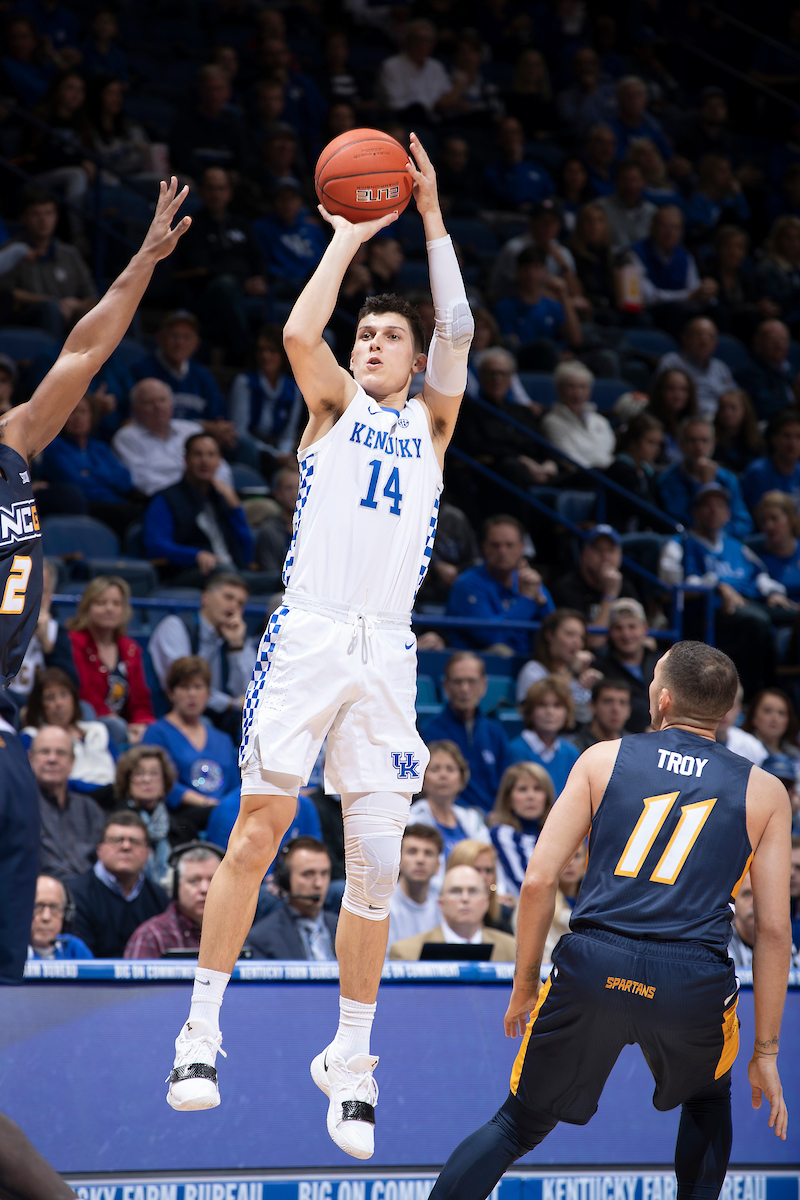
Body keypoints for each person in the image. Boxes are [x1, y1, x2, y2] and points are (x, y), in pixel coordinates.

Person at [164, 135, 475, 1159]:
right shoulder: (333, 408)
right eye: (372, 335)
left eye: (394, 333)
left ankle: (349, 1056)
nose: (381, 341)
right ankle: (199, 1030)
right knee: (257, 833)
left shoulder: (429, 425)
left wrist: (428, 222)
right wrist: (344, 240)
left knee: (376, 871)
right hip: (308, 635)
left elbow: (459, 326)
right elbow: (301, 327)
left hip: (387, 653)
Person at [428, 641, 790, 1200]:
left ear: (663, 698)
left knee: (516, 1124)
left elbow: (538, 882)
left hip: (593, 963)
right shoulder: (765, 790)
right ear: (726, 712)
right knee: (707, 1099)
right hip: (690, 979)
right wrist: (767, 1053)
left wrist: (525, 983)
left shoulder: (602, 757)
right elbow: (771, 930)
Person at [0, 178, 188, 990]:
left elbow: (84, 349)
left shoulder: (12, 443)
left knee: (9, 935)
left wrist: (142, 262)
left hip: (6, 725)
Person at [659, 485, 784, 696]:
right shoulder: (680, 543)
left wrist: (773, 592)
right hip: (708, 611)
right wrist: (717, 586)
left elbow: (760, 575)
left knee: (792, 618)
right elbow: (671, 584)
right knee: (757, 623)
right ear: (695, 512)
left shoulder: (736, 546)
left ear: (728, 514)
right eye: (707, 506)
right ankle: (753, 694)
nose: (714, 511)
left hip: (748, 603)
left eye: (719, 506)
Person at [174, 167, 269, 363]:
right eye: (210, 188)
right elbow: (201, 268)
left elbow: (257, 258)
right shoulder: (192, 225)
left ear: (229, 192)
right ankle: (248, 352)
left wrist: (260, 279)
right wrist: (242, 279)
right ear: (202, 191)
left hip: (244, 290)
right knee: (225, 284)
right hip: (206, 295)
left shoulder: (241, 223)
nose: (216, 194)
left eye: (221, 188)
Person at [142, 433, 254, 586]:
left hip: (233, 574)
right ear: (186, 460)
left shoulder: (220, 499)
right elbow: (156, 544)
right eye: (198, 454)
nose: (205, 461)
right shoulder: (166, 498)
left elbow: (246, 551)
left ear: (219, 461)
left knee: (284, 581)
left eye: (211, 455)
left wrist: (236, 509)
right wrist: (196, 556)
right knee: (226, 573)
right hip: (189, 573)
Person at [148, 572, 256, 728]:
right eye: (228, 597)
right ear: (206, 598)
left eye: (240, 603)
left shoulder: (238, 637)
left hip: (224, 721)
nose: (234, 607)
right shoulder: (175, 626)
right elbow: (184, 685)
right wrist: (230, 703)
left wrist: (236, 647)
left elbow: (248, 694)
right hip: (174, 716)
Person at [142, 656, 240, 816]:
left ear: (208, 693)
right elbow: (161, 784)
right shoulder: (156, 733)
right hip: (183, 815)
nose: (192, 694)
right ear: (171, 693)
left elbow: (234, 787)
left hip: (222, 814)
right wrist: (208, 804)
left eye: (198, 687)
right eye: (184, 687)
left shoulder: (223, 739)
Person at [445, 516, 554, 658]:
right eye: (495, 545)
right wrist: (527, 600)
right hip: (481, 665)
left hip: (528, 663)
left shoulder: (528, 581)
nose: (502, 551)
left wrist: (542, 602)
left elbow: (555, 632)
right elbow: (491, 637)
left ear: (522, 548)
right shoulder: (467, 584)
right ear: (484, 547)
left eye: (509, 545)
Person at [68, 810, 169, 958]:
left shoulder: (159, 897)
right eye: (117, 840)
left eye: (135, 841)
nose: (126, 847)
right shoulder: (75, 894)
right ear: (99, 849)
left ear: (147, 852)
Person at [66, 576, 154, 746]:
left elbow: (141, 698)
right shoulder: (74, 642)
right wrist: (115, 720)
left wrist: (141, 723)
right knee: (115, 726)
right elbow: (83, 692)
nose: (109, 609)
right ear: (87, 607)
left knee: (153, 733)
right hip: (87, 721)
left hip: (124, 725)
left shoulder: (130, 648)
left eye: (116, 603)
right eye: (101, 603)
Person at [112, 377, 235, 499]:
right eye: (149, 402)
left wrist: (211, 490)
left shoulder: (191, 430)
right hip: (165, 505)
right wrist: (191, 491)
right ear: (135, 409)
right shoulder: (126, 438)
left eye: (163, 400)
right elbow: (144, 483)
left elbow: (222, 469)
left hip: (211, 499)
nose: (158, 407)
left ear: (171, 404)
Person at [0, 187, 96, 340]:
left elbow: (90, 296)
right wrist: (56, 303)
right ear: (24, 218)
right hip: (28, 318)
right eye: (36, 214)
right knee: (50, 309)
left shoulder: (70, 254)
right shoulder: (12, 252)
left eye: (48, 213)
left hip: (71, 316)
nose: (43, 220)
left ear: (56, 217)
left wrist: (75, 306)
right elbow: (8, 294)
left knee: (116, 309)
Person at [421, 653, 511, 814]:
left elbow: (507, 785)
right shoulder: (429, 731)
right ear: (445, 686)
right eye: (457, 682)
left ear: (484, 684)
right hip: (449, 818)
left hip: (492, 821)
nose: (465, 689)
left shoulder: (495, 732)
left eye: (472, 681)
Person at [39, 393, 138, 539]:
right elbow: (75, 482)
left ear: (92, 417)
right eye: (72, 412)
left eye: (83, 412)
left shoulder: (101, 448)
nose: (77, 417)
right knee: (124, 515)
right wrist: (106, 479)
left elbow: (125, 482)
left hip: (115, 502)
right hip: (87, 505)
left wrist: (90, 472)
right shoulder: (54, 448)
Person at [389, 864, 516, 961]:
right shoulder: (407, 954)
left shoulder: (512, 950)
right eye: (456, 891)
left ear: (486, 902)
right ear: (440, 903)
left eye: (473, 891)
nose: (465, 898)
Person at [22, 667, 116, 793]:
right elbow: (42, 779)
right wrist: (97, 790)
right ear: (39, 705)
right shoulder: (32, 736)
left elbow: (120, 770)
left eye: (64, 694)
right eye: (50, 698)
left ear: (74, 699)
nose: (59, 703)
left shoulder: (99, 731)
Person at [657, 417, 753, 540]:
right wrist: (707, 485)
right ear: (681, 444)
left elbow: (744, 523)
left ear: (714, 443)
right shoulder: (669, 481)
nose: (699, 446)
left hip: (727, 545)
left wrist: (721, 539)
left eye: (704, 440)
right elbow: (687, 524)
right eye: (692, 441)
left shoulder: (728, 478)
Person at [31, 725, 105, 882]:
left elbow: (104, 859)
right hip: (43, 895)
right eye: (44, 752)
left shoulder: (89, 808)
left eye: (61, 753)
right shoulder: (19, 805)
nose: (52, 759)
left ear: (72, 762)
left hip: (89, 896)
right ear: (30, 759)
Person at [408, 741, 490, 882]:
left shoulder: (473, 819)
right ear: (422, 777)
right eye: (435, 769)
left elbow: (488, 861)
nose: (443, 775)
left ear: (461, 778)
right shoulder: (410, 819)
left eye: (450, 769)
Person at [124, 843, 225, 958]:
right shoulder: (150, 936)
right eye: (194, 880)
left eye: (213, 880)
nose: (205, 889)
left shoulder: (236, 934)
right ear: (175, 885)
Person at [131, 309, 228, 429]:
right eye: (174, 336)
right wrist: (203, 425)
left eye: (186, 337)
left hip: (198, 443)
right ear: (160, 338)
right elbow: (131, 420)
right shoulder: (141, 371)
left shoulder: (203, 376)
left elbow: (219, 418)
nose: (180, 343)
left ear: (196, 343)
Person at [628, 207, 717, 336]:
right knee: (674, 311)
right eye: (665, 226)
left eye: (676, 228)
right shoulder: (635, 254)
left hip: (681, 308)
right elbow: (648, 297)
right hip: (652, 312)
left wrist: (707, 292)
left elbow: (694, 290)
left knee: (716, 311)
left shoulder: (685, 257)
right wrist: (689, 296)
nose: (670, 232)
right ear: (652, 228)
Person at [229, 327, 303, 480]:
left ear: (283, 355)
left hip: (276, 448)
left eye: (272, 350)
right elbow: (239, 431)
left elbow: (288, 434)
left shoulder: (293, 389)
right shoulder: (244, 382)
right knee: (249, 448)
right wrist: (275, 455)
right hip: (250, 447)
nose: (265, 355)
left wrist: (283, 454)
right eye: (261, 350)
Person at [246, 838, 338, 960]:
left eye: (324, 873)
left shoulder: (346, 929)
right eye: (308, 874)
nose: (319, 884)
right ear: (285, 880)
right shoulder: (262, 938)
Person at [550, 525, 642, 647]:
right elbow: (592, 641)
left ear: (620, 557)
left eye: (611, 550)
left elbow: (641, 633)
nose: (605, 557)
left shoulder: (626, 586)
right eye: (598, 550)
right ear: (584, 555)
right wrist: (610, 594)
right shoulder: (567, 588)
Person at [494, 247, 582, 372]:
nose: (531, 273)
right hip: (524, 361)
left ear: (545, 272)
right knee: (545, 347)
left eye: (536, 267)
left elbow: (575, 339)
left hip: (558, 362)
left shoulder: (553, 305)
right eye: (526, 268)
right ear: (518, 272)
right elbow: (512, 344)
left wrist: (563, 295)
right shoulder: (505, 307)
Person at [8, 558, 77, 710]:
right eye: (26, 588)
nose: (32, 597)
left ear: (50, 596)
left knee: (85, 710)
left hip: (46, 710)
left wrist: (46, 644)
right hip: (8, 707)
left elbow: (71, 686)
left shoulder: (56, 632)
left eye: (40, 590)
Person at [515, 609, 601, 726]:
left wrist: (598, 686)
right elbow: (541, 712)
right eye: (570, 634)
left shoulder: (582, 674)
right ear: (550, 635)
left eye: (581, 637)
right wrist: (572, 671)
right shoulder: (533, 670)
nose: (577, 643)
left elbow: (586, 717)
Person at [168, 65, 252, 180]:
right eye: (209, 89)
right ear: (201, 90)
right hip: (195, 182)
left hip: (228, 184)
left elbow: (244, 161)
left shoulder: (236, 123)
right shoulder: (184, 122)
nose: (214, 95)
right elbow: (182, 160)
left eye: (219, 89)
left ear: (228, 92)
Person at [487, 762, 554, 900]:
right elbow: (525, 886)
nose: (531, 796)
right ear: (508, 799)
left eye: (537, 789)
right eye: (522, 789)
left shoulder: (555, 836)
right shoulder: (501, 834)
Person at [593, 598, 659, 734]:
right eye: (618, 628)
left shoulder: (663, 662)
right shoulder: (599, 669)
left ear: (645, 628)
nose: (626, 634)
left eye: (632, 626)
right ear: (610, 632)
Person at [508, 677, 580, 797]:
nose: (550, 712)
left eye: (557, 706)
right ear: (530, 711)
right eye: (542, 705)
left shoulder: (571, 753)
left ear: (567, 712)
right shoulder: (515, 750)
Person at [113, 745, 175, 884]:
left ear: (164, 782)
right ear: (127, 781)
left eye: (154, 773)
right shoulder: (115, 821)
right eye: (138, 773)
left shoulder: (180, 827)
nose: (146, 779)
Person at [375, 19, 456, 124]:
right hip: (404, 121)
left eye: (427, 40)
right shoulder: (391, 65)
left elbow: (447, 97)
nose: (422, 45)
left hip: (437, 121)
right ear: (408, 40)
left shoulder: (436, 66)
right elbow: (393, 104)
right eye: (418, 39)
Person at [254, 178, 327, 294]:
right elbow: (264, 265)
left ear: (300, 201)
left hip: (318, 283)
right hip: (286, 286)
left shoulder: (313, 228)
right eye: (282, 199)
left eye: (292, 198)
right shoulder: (262, 228)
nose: (287, 204)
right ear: (274, 201)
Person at [654, 318, 736, 420]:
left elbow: (735, 398)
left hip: (722, 420)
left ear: (716, 344)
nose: (704, 340)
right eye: (699, 334)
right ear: (685, 338)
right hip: (688, 420)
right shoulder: (671, 362)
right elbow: (657, 398)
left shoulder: (720, 367)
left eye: (710, 336)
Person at [540, 361, 616, 470]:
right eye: (571, 387)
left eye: (582, 387)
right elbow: (570, 459)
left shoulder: (601, 421)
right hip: (582, 477)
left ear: (589, 392)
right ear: (559, 390)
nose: (577, 393)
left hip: (608, 476)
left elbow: (610, 454)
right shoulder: (551, 422)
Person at [602, 412, 664, 532]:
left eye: (658, 444)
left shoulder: (648, 472)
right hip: (616, 534)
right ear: (634, 442)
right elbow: (644, 509)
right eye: (650, 442)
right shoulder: (619, 469)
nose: (656, 449)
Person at [387, 824, 444, 950]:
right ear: (398, 861)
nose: (420, 860)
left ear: (438, 866)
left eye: (428, 853)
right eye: (412, 852)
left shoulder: (444, 908)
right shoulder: (383, 907)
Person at [728, 872, 800, 968]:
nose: (754, 902)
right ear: (734, 902)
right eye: (747, 894)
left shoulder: (782, 937)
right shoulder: (723, 940)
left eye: (761, 895)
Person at [484, 118, 555, 214]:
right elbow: (515, 198)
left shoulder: (537, 167)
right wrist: (516, 162)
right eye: (506, 133)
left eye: (515, 132)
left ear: (522, 136)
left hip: (540, 216)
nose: (511, 137)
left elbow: (550, 195)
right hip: (512, 219)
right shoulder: (493, 172)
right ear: (499, 138)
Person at [734, 320, 800, 421]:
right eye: (773, 341)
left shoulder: (792, 369)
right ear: (758, 341)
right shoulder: (748, 373)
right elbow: (765, 408)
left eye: (783, 340)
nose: (779, 346)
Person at [742, 409, 800, 511]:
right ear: (774, 439)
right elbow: (761, 519)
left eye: (798, 437)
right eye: (787, 436)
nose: (793, 444)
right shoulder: (758, 472)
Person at [595, 161, 658, 255]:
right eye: (625, 180)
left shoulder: (652, 212)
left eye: (635, 180)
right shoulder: (600, 208)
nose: (631, 186)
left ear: (643, 182)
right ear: (616, 182)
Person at [27, 873, 92, 960]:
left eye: (54, 908)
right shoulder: (10, 951)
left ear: (67, 914)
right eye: (37, 907)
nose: (46, 917)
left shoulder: (74, 947)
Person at [647, 368, 698, 467]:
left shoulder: (692, 423)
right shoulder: (649, 423)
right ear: (660, 391)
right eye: (671, 388)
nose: (678, 395)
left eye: (684, 389)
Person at [756, 491, 800, 602]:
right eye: (764, 520)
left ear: (790, 520)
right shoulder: (757, 560)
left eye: (774, 518)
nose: (769, 526)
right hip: (784, 615)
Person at [254, 468, 299, 575]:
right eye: (288, 488)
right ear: (277, 494)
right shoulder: (268, 531)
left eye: (299, 487)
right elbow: (270, 573)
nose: (294, 493)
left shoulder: (313, 528)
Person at [571, 678, 632, 752]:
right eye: (608, 701)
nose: (616, 709)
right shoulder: (574, 749)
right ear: (592, 706)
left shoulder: (636, 746)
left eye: (622, 703)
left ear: (629, 709)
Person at [713, 389, 764, 476]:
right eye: (723, 408)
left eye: (733, 407)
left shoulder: (757, 440)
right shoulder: (713, 439)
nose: (727, 413)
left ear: (745, 410)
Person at [715, 685, 768, 766]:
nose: (724, 713)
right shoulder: (690, 744)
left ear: (739, 708)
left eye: (730, 706)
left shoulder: (752, 746)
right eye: (718, 705)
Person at [742, 688, 800, 760]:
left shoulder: (795, 753)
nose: (775, 718)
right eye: (767, 710)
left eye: (781, 713)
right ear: (753, 716)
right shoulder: (742, 750)